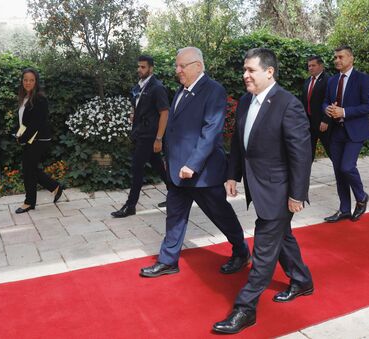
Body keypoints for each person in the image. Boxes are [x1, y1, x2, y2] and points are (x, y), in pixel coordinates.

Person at [213, 48, 313, 334]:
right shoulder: (246, 100)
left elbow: (300, 155)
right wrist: (232, 174)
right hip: (257, 184)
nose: (245, 75)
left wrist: (297, 194)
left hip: (279, 190)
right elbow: (238, 143)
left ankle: (245, 309)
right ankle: (302, 280)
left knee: (265, 246)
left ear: (269, 72)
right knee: (283, 236)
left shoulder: (288, 104)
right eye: (244, 70)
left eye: (251, 70)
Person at [139, 47, 250, 278]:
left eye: (182, 66)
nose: (177, 70)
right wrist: (170, 161)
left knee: (220, 214)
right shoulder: (181, 91)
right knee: (175, 215)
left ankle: (241, 251)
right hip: (178, 171)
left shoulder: (214, 91)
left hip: (203, 172)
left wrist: (193, 164)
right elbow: (174, 129)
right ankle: (168, 260)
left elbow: (211, 131)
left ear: (198, 66)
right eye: (176, 66)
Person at [321, 45, 369, 223]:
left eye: (340, 57)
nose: (337, 60)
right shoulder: (332, 80)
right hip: (336, 132)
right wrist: (327, 109)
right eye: (335, 57)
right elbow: (326, 101)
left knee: (347, 167)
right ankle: (344, 209)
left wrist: (344, 112)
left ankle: (361, 197)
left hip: (355, 131)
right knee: (338, 171)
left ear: (351, 58)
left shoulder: (363, 79)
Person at [111, 55, 169, 218]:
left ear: (151, 68)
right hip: (140, 132)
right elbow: (138, 106)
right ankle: (176, 196)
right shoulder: (140, 86)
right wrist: (133, 114)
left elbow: (164, 113)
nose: (139, 70)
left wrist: (159, 138)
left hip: (149, 135)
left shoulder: (157, 87)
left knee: (137, 167)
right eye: (138, 67)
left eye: (143, 67)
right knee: (158, 165)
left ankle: (130, 206)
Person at [14, 68, 64, 214]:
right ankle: (55, 187)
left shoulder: (39, 99)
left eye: (31, 80)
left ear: (36, 82)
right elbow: (24, 122)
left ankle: (29, 202)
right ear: (22, 81)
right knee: (31, 169)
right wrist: (18, 134)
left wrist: (22, 139)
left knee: (29, 170)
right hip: (30, 138)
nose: (28, 83)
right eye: (25, 80)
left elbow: (36, 123)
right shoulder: (25, 97)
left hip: (39, 139)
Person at [301, 55, 330, 160]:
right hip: (309, 123)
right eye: (309, 66)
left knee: (331, 151)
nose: (310, 68)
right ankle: (304, 176)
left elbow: (331, 101)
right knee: (308, 153)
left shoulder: (328, 80)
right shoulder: (307, 81)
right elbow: (304, 101)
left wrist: (326, 120)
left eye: (313, 65)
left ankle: (342, 175)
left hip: (323, 124)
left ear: (321, 66)